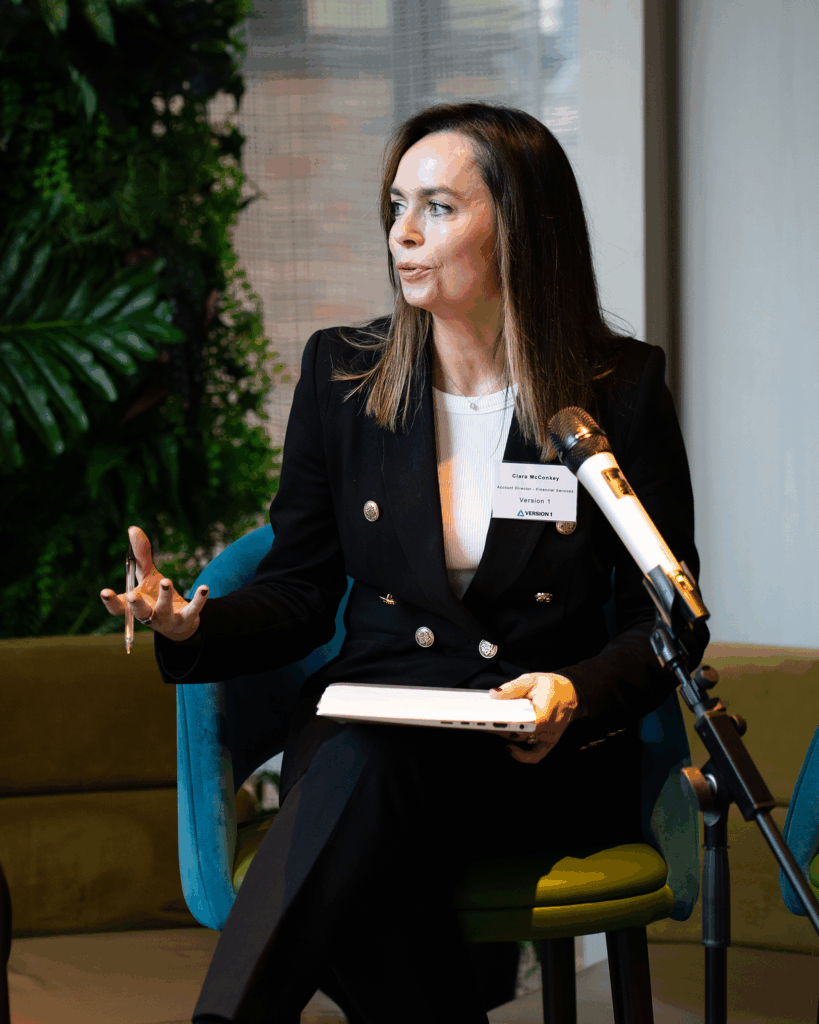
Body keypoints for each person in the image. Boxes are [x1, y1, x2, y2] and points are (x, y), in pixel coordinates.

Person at [100, 102, 708, 1023]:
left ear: (520, 226)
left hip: (531, 757)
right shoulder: (343, 377)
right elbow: (300, 592)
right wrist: (193, 624)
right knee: (364, 773)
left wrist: (573, 695)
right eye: (395, 205)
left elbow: (663, 618)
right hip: (377, 720)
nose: (402, 234)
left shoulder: (615, 392)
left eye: (437, 207)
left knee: (349, 816)